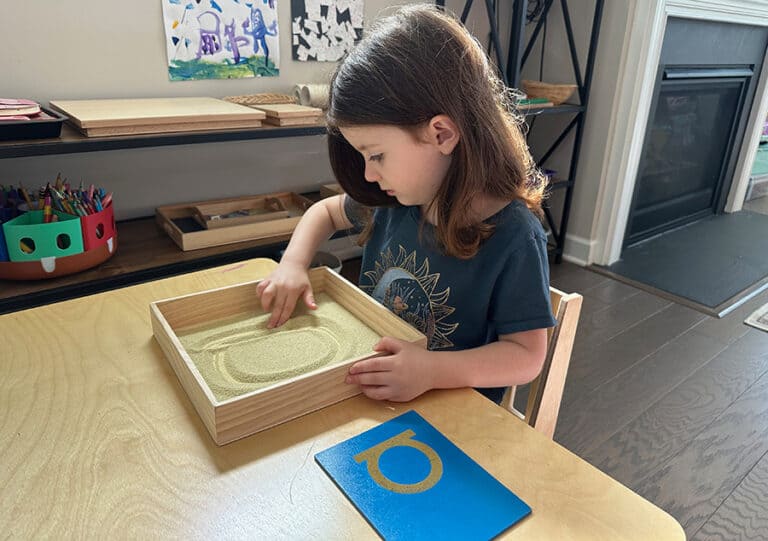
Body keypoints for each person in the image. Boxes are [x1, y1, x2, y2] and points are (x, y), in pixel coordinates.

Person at [256, 4, 556, 404]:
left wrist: (432, 370)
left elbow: (526, 356)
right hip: (374, 392)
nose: (367, 175)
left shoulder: (515, 235)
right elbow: (323, 212)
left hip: (449, 416)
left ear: (442, 134)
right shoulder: (394, 198)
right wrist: (293, 265)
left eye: (375, 155)